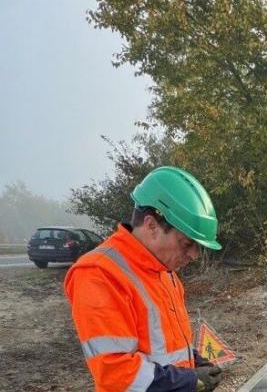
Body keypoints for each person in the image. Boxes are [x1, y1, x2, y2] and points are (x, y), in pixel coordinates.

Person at [64, 166, 224, 392]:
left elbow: (167, 347)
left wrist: (195, 360)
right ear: (152, 226)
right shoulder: (99, 274)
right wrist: (190, 381)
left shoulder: (165, 273)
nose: (193, 255)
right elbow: (116, 373)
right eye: (187, 244)